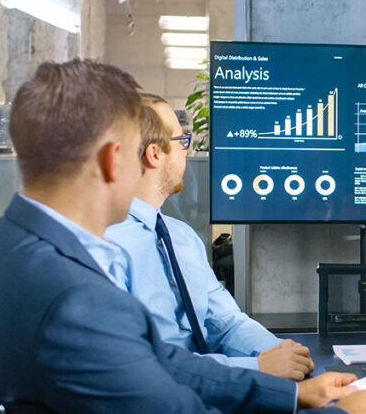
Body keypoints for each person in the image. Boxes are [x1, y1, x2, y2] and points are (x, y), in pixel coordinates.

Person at [0, 59, 366, 413]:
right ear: (113, 159)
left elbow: (160, 360)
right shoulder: (79, 300)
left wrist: (289, 396)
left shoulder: (12, 246)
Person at [104, 93, 313, 381]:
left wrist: (282, 353)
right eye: (181, 142)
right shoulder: (106, 246)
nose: (186, 152)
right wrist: (258, 368)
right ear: (154, 154)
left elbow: (224, 321)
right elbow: (142, 363)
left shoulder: (182, 238)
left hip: (216, 387)